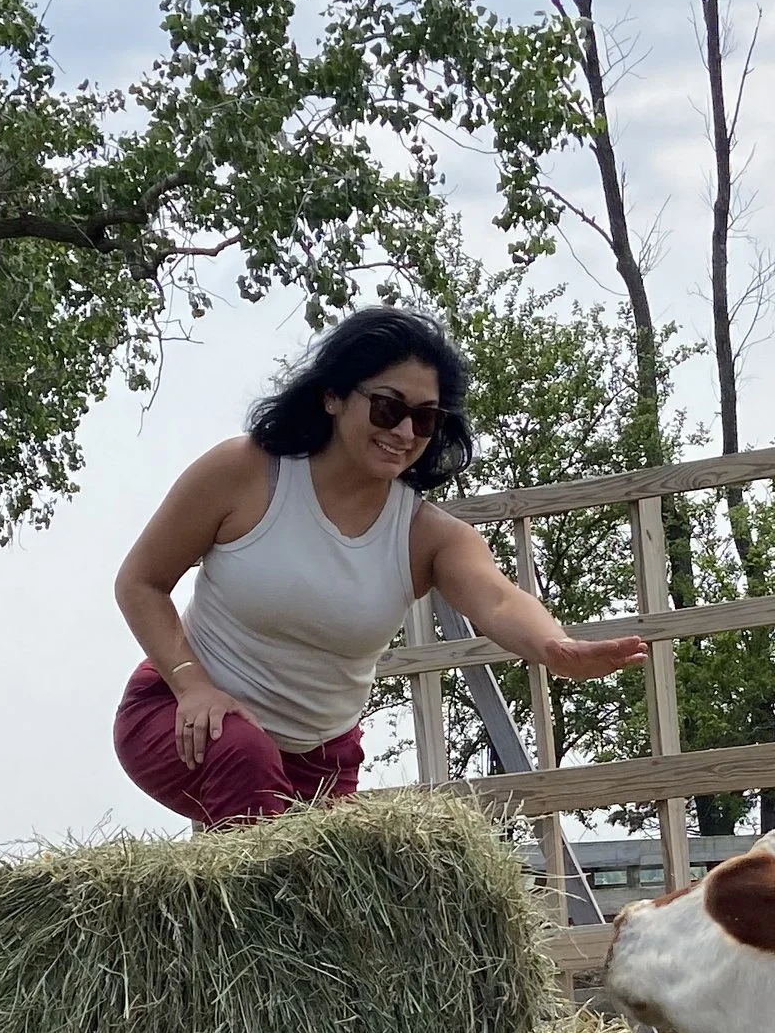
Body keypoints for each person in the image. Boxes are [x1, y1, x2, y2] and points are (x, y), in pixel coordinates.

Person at [113, 305, 647, 829]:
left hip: (318, 764)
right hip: (182, 713)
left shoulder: (427, 535)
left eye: (426, 417)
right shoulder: (245, 471)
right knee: (245, 766)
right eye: (388, 407)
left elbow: (499, 598)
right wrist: (192, 684)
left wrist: (555, 647)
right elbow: (140, 582)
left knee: (329, 897)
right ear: (333, 396)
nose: (406, 431)